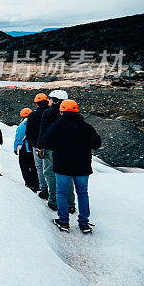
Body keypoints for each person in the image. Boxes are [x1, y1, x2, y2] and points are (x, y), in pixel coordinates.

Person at [40, 100, 101, 234]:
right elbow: (97, 143)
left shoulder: (56, 126)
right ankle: (84, 224)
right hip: (82, 166)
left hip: (62, 166)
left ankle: (63, 222)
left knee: (61, 193)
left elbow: (45, 142)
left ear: (61, 111)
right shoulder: (86, 127)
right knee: (83, 194)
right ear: (77, 111)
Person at [38, 90, 76, 213]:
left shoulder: (48, 113)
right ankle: (70, 204)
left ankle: (53, 201)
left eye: (50, 98)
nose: (48, 101)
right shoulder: (71, 113)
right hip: (68, 149)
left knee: (50, 174)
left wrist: (40, 146)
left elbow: (43, 131)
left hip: (51, 149)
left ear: (54, 100)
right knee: (68, 175)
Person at [25, 93, 50, 199]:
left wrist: (31, 144)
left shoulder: (33, 115)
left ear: (36, 103)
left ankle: (44, 190)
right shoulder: (51, 113)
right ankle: (54, 191)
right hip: (51, 145)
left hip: (37, 145)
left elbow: (28, 131)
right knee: (52, 168)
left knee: (40, 168)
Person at [14, 107, 40, 191]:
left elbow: (19, 137)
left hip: (26, 149)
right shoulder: (37, 122)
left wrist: (16, 148)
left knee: (24, 166)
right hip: (35, 147)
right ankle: (37, 183)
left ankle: (29, 183)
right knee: (34, 166)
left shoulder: (23, 124)